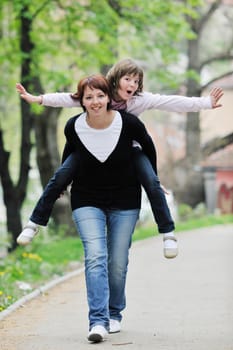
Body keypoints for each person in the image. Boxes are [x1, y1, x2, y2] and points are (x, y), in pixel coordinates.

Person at [16, 58, 224, 259]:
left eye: (136, 81)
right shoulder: (100, 92)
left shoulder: (139, 100)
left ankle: (168, 233)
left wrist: (206, 102)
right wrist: (38, 99)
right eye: (128, 79)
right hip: (91, 149)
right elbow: (68, 98)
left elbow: (171, 102)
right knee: (60, 176)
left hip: (129, 150)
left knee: (152, 183)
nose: (132, 84)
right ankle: (34, 223)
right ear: (116, 79)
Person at [61, 74, 158, 342]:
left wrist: (154, 185)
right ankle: (98, 321)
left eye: (100, 95)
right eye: (88, 97)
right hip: (86, 198)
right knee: (95, 256)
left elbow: (148, 151)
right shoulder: (74, 126)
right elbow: (70, 153)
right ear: (80, 101)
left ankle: (114, 312)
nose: (95, 102)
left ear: (108, 97)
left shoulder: (129, 123)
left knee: (117, 262)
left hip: (125, 199)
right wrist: (61, 183)